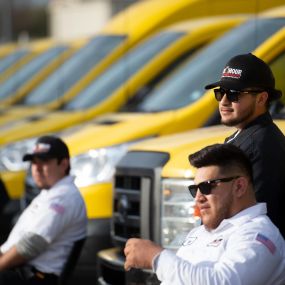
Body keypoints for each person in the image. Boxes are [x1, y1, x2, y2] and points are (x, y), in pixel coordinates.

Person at [124, 143, 285, 285]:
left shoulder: (259, 234)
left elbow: (223, 282)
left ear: (239, 187)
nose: (198, 198)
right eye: (194, 190)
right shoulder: (200, 232)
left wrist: (156, 257)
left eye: (207, 187)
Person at [204, 53, 285, 237]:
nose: (224, 101)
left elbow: (257, 219)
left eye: (234, 94)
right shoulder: (247, 137)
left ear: (261, 99)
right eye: (220, 92)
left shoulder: (262, 145)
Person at [0, 135, 87, 284]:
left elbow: (31, 244)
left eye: (44, 162)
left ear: (64, 164)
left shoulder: (64, 197)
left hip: (35, 277)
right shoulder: (51, 192)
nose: (37, 168)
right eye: (34, 162)